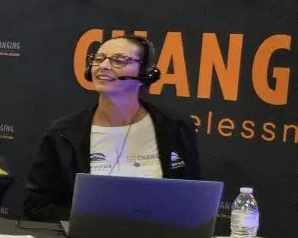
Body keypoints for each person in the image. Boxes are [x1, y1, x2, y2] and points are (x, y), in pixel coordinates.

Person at [20, 35, 201, 221]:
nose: (103, 66)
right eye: (98, 59)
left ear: (145, 73)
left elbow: (194, 199)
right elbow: (37, 205)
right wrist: (89, 222)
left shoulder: (175, 126)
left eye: (119, 60)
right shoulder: (63, 133)